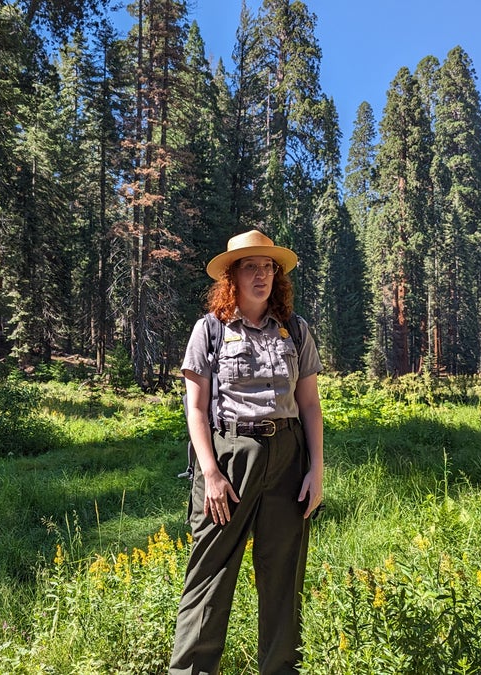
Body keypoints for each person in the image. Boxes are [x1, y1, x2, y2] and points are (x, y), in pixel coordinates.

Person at [170, 229, 325, 675]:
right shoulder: (210, 330)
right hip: (229, 457)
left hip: (289, 458)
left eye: (269, 267)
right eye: (251, 266)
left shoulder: (295, 329)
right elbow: (195, 407)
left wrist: (316, 469)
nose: (262, 275)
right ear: (231, 276)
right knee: (210, 576)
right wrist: (211, 473)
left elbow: (310, 404)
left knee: (283, 577)